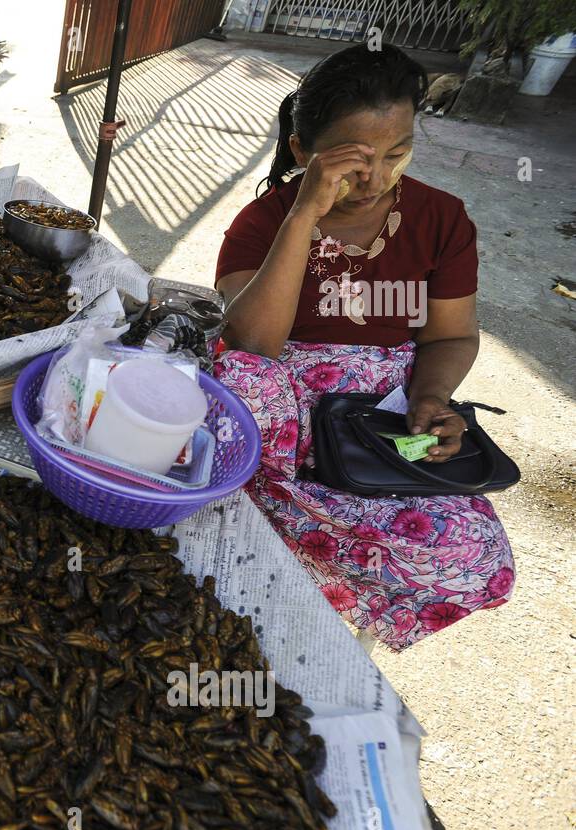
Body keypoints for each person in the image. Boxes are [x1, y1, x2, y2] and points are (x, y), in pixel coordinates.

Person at [213, 43, 514, 652]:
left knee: (475, 554)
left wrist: (429, 399)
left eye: (397, 154)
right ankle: (292, 545)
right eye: (352, 162)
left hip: (378, 413)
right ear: (303, 153)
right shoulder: (262, 221)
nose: (376, 179)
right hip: (281, 409)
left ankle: (313, 550)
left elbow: (451, 334)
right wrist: (302, 216)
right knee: (238, 383)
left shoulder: (443, 218)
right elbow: (253, 343)